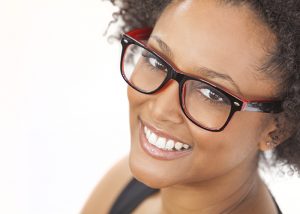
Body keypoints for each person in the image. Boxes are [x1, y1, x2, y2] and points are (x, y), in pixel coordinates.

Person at [82, 0, 299, 213]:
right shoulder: (123, 183)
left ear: (278, 128)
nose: (160, 110)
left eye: (211, 93)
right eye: (156, 61)